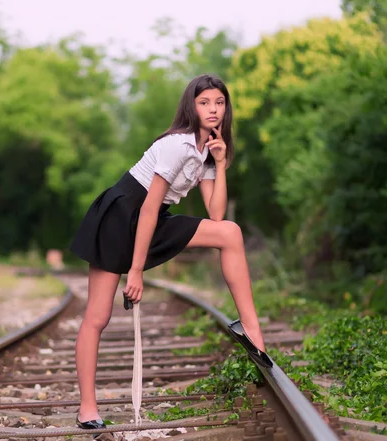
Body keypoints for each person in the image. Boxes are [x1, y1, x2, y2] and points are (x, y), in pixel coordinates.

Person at [69, 73, 272, 430]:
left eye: (219, 103)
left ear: (227, 109)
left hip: (154, 219)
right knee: (97, 316)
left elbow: (217, 213)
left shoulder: (206, 150)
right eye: (204, 102)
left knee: (230, 233)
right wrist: (135, 272)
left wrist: (220, 163)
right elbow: (146, 207)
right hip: (121, 215)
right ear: (191, 106)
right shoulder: (178, 145)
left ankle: (252, 331)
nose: (213, 109)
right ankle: (88, 407)